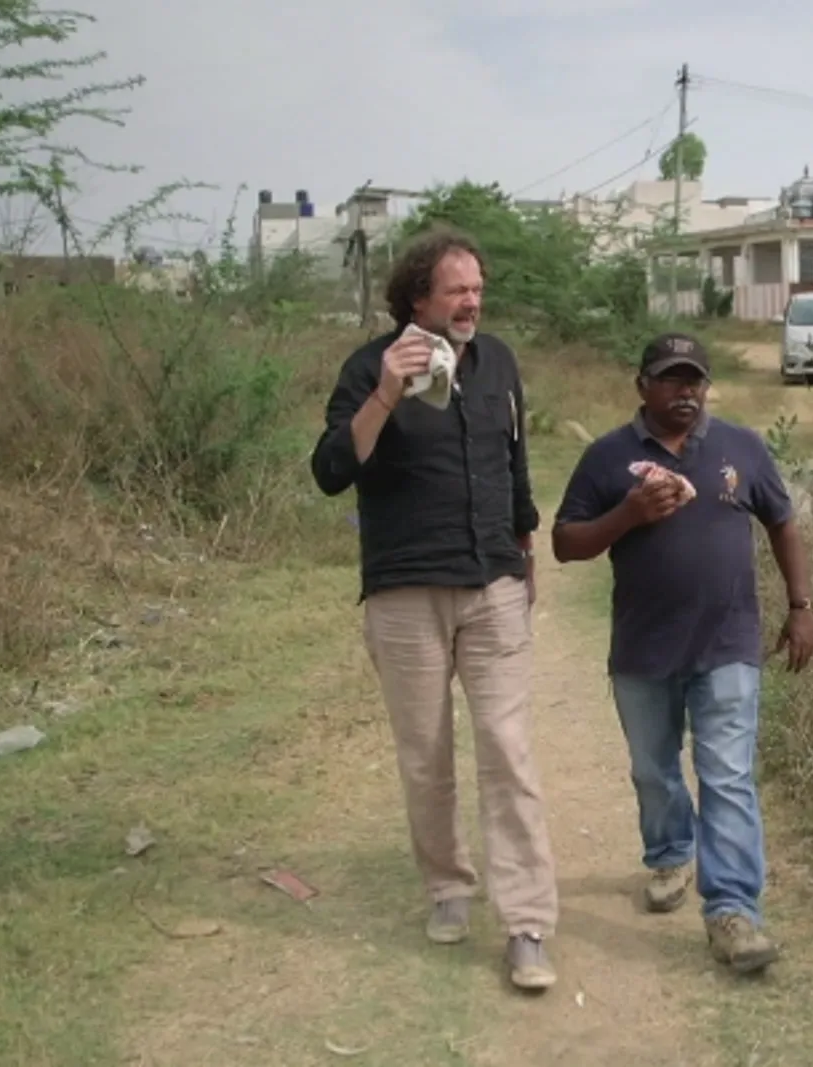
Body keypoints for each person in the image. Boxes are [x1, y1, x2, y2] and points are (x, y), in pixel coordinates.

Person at [308, 227, 559, 993]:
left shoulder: (499, 363)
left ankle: (526, 923)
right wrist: (387, 390)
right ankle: (449, 886)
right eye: (457, 289)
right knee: (425, 753)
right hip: (405, 590)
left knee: (507, 750)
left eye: (478, 288)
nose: (473, 301)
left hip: (491, 584)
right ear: (417, 297)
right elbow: (330, 471)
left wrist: (524, 547)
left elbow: (512, 460)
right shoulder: (367, 368)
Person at [551, 332, 813, 974]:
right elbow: (565, 543)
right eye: (672, 379)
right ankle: (671, 851)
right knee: (654, 768)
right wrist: (628, 514)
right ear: (642, 385)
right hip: (643, 648)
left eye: (695, 379)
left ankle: (733, 911)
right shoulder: (607, 458)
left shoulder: (740, 448)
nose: (686, 391)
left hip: (729, 643)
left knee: (727, 776)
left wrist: (802, 606)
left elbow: (782, 522)